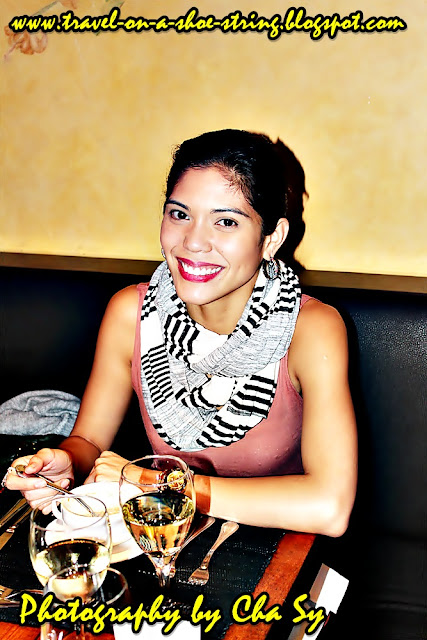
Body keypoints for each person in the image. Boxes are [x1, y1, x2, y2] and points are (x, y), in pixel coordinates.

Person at [6, 129, 357, 534]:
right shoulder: (132, 313)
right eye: (179, 214)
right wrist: (67, 461)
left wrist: (159, 484)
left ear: (271, 238)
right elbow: (89, 441)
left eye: (226, 221)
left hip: (282, 551)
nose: (193, 242)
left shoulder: (310, 329)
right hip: (163, 536)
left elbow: (330, 508)